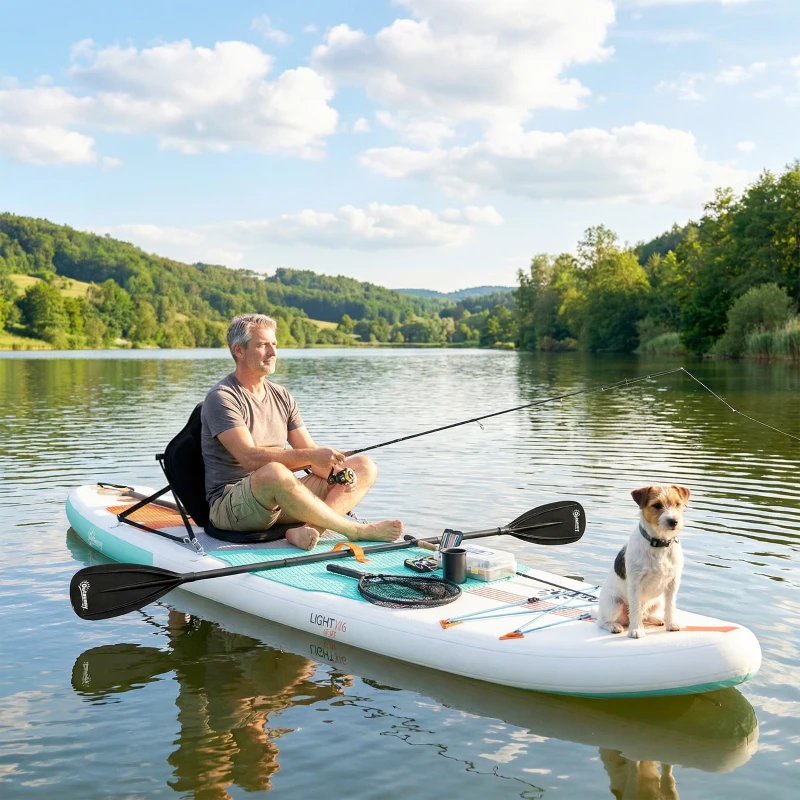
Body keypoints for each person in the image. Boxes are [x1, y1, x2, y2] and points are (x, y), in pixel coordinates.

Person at [201, 313, 403, 551]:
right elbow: (250, 458)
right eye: (263, 345)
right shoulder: (222, 398)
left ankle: (310, 530)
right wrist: (310, 457)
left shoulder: (281, 395)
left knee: (364, 466)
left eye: (274, 345)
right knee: (274, 472)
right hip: (233, 507)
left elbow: (308, 450)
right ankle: (353, 530)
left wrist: (337, 471)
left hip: (280, 498)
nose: (273, 353)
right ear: (239, 350)